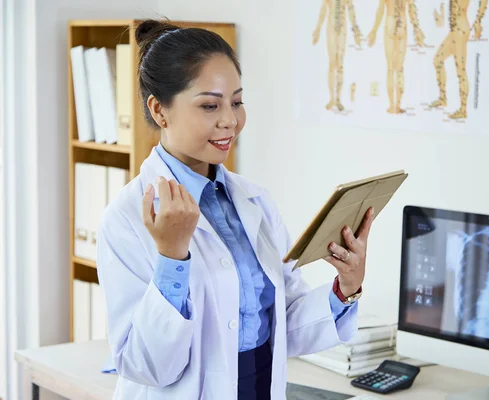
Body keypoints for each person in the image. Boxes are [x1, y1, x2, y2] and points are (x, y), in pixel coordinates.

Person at [96, 19, 375, 400]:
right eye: (210, 105)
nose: (230, 120)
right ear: (160, 111)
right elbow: (146, 366)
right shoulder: (126, 218)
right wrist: (172, 257)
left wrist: (346, 288)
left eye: (237, 102)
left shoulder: (254, 201)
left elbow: (283, 322)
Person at [429, 0, 488, 119]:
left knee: (460, 71)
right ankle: (443, 98)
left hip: (460, 29)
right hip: (454, 30)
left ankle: (463, 109)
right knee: (437, 60)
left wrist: (478, 20)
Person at [367, 0, 425, 114]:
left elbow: (380, 10)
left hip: (390, 22)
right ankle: (398, 105)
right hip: (402, 24)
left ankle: (391, 105)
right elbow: (411, 10)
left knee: (390, 68)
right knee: (399, 68)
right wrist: (417, 30)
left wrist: (374, 30)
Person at [312, 0, 362, 112]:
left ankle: (338, 98)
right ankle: (332, 99)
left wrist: (355, 31)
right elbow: (324, 8)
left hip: (342, 29)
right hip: (331, 28)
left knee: (340, 65)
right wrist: (318, 29)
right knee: (332, 64)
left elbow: (351, 9)